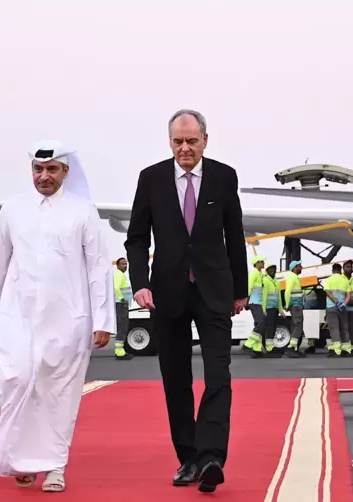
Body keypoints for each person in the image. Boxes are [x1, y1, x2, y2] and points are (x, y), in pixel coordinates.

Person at [0, 140, 114, 493]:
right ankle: (20, 460)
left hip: (68, 317)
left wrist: (103, 320)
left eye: (52, 169)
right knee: (16, 381)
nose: (44, 176)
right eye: (38, 169)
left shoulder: (83, 211)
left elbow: (99, 268)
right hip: (16, 316)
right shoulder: (12, 209)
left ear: (66, 172)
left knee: (57, 392)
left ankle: (55, 465)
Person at [125, 109, 248, 493]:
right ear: (170, 143)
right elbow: (137, 238)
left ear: (205, 141)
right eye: (178, 141)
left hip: (214, 292)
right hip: (168, 293)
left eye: (192, 141)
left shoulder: (224, 177)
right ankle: (188, 459)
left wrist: (240, 290)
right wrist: (140, 283)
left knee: (218, 377)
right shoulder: (152, 179)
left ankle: (212, 456)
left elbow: (235, 234)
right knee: (175, 380)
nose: (185, 148)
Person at [323, 263, 353, 357]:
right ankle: (346, 349)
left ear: (332, 270)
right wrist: (343, 304)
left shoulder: (329, 279)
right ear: (340, 270)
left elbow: (328, 292)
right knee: (344, 327)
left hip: (332, 307)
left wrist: (336, 302)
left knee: (334, 327)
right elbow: (348, 295)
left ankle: (336, 349)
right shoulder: (345, 280)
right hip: (343, 308)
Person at [259, 263, 283, 358]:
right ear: (267, 271)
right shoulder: (265, 281)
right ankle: (269, 348)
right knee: (269, 328)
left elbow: (279, 298)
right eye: (271, 269)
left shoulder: (277, 282)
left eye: (274, 269)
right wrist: (263, 309)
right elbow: (264, 296)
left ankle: (271, 346)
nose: (273, 271)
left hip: (275, 308)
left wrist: (281, 310)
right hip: (268, 308)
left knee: (272, 328)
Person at [243, 256, 265, 356]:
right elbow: (249, 287)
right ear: (257, 263)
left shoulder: (260, 274)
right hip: (254, 302)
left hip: (258, 303)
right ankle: (247, 345)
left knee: (259, 325)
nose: (264, 263)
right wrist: (246, 301)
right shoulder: (254, 273)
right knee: (261, 323)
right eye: (262, 262)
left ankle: (257, 349)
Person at [283, 260, 306, 358]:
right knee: (298, 326)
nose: (301, 268)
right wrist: (287, 304)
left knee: (296, 325)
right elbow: (287, 292)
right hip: (295, 306)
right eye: (300, 266)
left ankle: (294, 347)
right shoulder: (292, 277)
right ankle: (291, 347)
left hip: (297, 306)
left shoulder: (295, 277)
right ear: (295, 268)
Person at [113, 257, 134, 360]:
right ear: (117, 265)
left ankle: (121, 350)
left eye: (126, 264)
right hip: (121, 304)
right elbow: (116, 287)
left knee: (123, 326)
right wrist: (122, 299)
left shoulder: (121, 275)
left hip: (123, 304)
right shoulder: (118, 274)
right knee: (122, 326)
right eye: (122, 264)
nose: (125, 266)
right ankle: (119, 352)